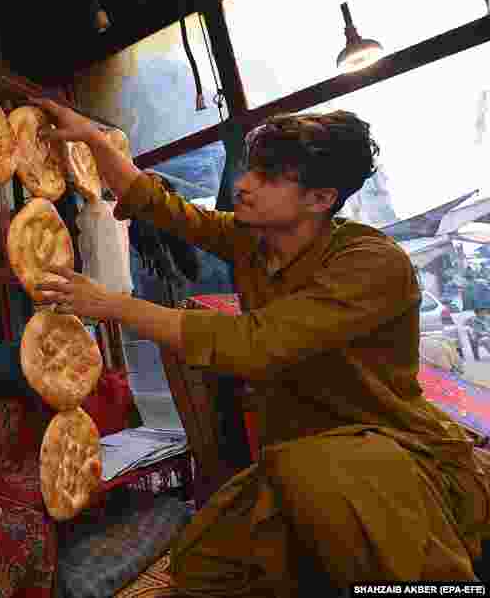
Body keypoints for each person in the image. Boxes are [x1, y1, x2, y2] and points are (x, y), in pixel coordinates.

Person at [31, 98, 490, 594]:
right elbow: (160, 206)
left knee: (378, 550)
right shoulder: (256, 240)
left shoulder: (370, 263)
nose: (243, 184)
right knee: (200, 565)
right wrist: (92, 138)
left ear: (320, 198)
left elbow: (255, 343)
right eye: (251, 169)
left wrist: (112, 304)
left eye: (268, 177)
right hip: (291, 456)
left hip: (378, 449)